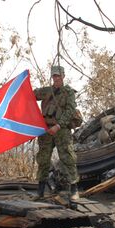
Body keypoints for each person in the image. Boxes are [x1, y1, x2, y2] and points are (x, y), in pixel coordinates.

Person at [34, 65, 79, 200]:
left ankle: (74, 189)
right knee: (43, 159)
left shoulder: (68, 92)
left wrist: (58, 126)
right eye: (54, 76)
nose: (56, 78)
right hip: (46, 130)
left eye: (58, 75)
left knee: (67, 158)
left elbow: (70, 111)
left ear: (63, 76)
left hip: (62, 129)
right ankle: (40, 191)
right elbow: (31, 94)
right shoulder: (47, 91)